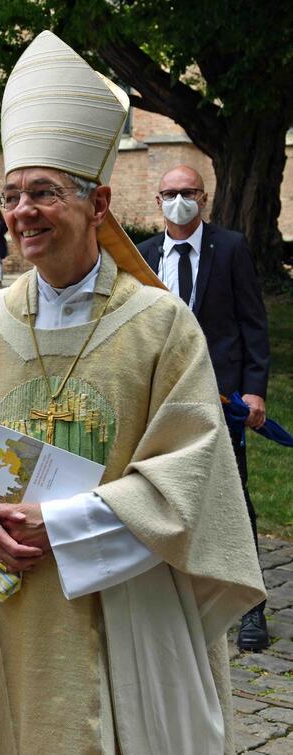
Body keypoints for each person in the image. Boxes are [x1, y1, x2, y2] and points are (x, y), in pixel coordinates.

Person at [0, 32, 264, 755]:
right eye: (11, 195)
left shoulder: (159, 326)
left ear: (98, 204)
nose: (22, 212)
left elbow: (190, 475)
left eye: (44, 193)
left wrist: (58, 524)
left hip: (122, 609)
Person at [137, 164, 272, 651]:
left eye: (188, 192)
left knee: (231, 494)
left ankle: (250, 606)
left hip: (219, 395)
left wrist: (254, 389)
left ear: (204, 197)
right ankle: (170, 593)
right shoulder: (144, 255)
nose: (179, 201)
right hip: (160, 397)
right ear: (158, 201)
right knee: (160, 492)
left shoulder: (230, 248)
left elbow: (253, 323)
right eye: (170, 193)